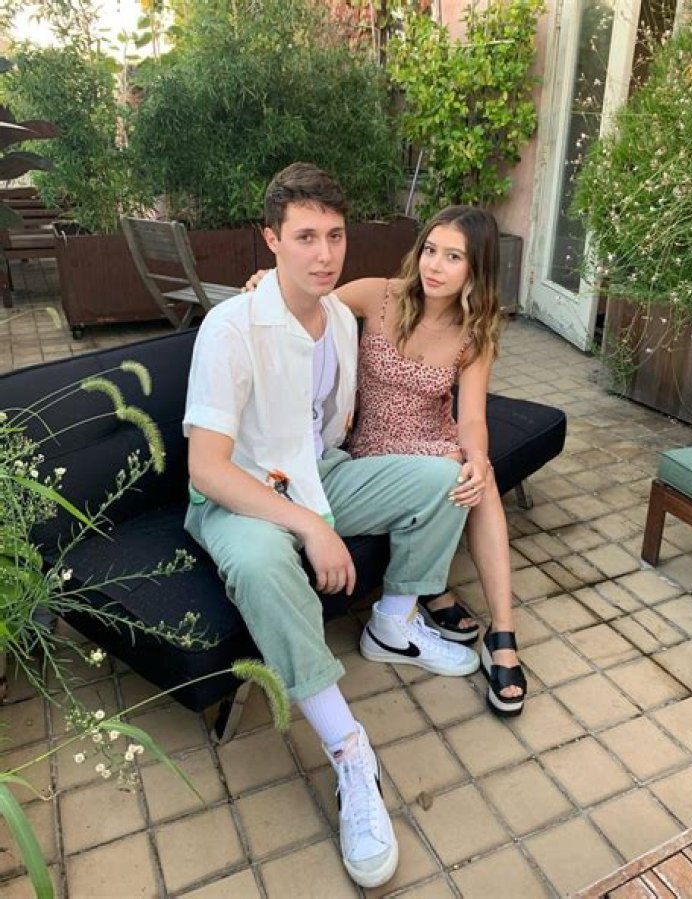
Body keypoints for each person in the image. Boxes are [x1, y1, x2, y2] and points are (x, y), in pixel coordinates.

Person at [182, 163, 479, 889]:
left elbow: (330, 428)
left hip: (320, 474)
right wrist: (312, 529)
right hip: (241, 492)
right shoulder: (231, 327)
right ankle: (351, 752)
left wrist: (452, 446)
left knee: (448, 477)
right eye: (305, 237)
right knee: (262, 563)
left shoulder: (342, 320)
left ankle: (394, 623)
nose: (324, 254)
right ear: (271, 240)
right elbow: (207, 468)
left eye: (335, 236)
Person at [246, 205, 527, 717]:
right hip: (370, 445)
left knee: (475, 476)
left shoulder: (475, 333)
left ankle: (502, 634)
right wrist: (269, 281)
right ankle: (428, 597)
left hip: (433, 439)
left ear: (477, 269)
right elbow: (307, 302)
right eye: (430, 250)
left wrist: (478, 456)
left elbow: (471, 418)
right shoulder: (378, 295)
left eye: (454, 257)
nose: (434, 265)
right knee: (457, 476)